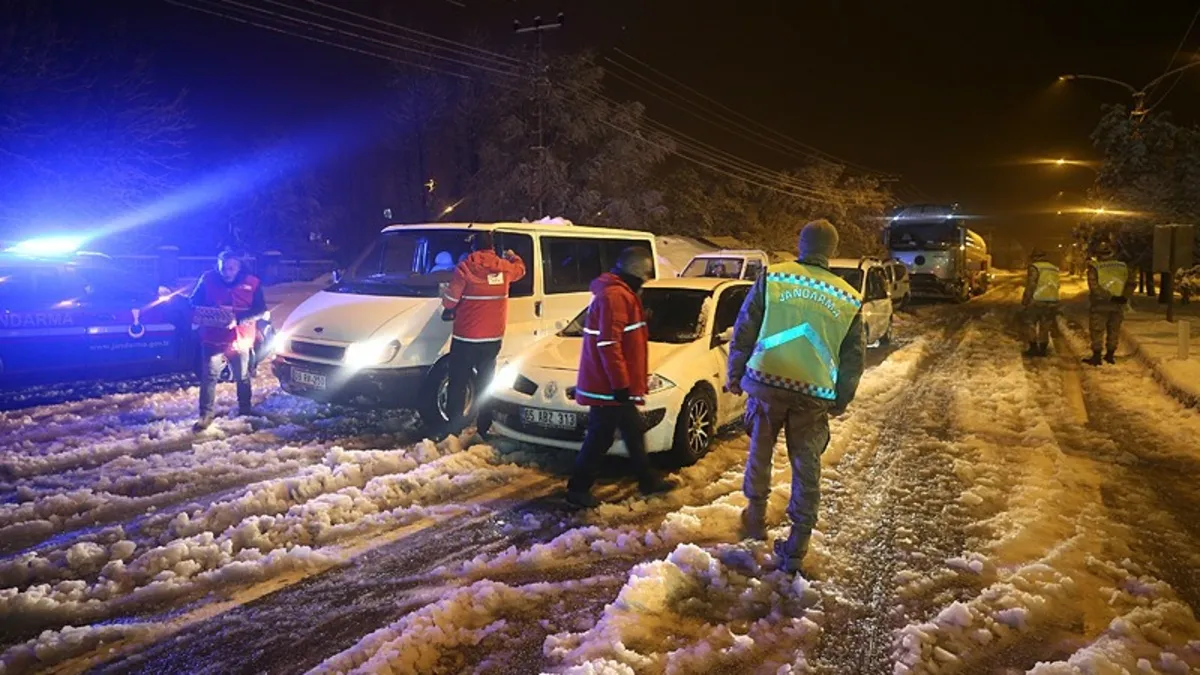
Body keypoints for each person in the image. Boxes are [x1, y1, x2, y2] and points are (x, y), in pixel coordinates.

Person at [727, 220, 866, 574]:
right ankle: (797, 543)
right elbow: (854, 357)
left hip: (766, 381)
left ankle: (755, 518)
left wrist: (735, 373)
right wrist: (841, 398)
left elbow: (745, 327)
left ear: (801, 244)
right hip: (813, 392)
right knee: (807, 465)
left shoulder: (774, 278)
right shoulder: (848, 297)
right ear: (832, 251)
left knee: (760, 451)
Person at [566, 247, 678, 508]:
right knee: (601, 437)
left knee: (632, 431)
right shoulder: (616, 296)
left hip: (614, 384)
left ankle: (647, 478)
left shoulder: (621, 294)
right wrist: (620, 384)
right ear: (635, 272)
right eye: (644, 276)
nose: (646, 281)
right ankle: (578, 489)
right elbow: (609, 344)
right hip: (609, 386)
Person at [441, 231, 525, 437]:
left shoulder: (464, 269)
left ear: (473, 248)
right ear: (492, 247)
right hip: (492, 339)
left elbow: (449, 301)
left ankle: (454, 427)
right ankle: (483, 426)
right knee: (486, 382)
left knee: (458, 382)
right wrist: (513, 256)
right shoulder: (505, 268)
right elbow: (521, 270)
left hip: (466, 338)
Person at [190, 249, 268, 432]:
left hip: (240, 339)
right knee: (209, 377)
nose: (227, 272)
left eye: (231, 268)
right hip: (212, 339)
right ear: (218, 266)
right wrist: (204, 313)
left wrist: (238, 319)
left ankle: (245, 410)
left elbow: (261, 309)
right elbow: (193, 301)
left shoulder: (253, 283)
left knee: (242, 377)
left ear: (238, 267)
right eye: (223, 268)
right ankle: (205, 415)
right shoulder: (207, 279)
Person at [1083, 242, 1135, 366]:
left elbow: (1094, 288)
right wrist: (1123, 297)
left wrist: (1110, 297)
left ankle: (1096, 356)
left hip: (1100, 304)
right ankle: (1110, 355)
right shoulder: (1123, 266)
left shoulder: (1095, 267)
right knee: (1114, 330)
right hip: (1118, 305)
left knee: (1097, 330)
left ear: (1098, 254)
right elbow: (1131, 283)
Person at [1021, 250, 1060, 357]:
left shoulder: (1034, 267)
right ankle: (1042, 349)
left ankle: (1033, 348)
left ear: (1034, 257)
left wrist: (1026, 298)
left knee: (1031, 323)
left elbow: (1031, 284)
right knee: (1045, 325)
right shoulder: (1054, 268)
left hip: (1037, 300)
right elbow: (1057, 284)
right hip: (1052, 300)